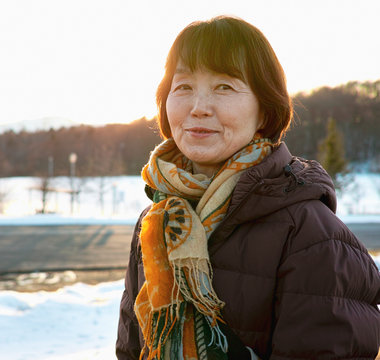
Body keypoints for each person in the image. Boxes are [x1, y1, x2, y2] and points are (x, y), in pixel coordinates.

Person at [116, 16, 380, 360]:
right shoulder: (156, 223)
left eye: (224, 87)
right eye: (183, 87)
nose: (198, 108)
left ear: (264, 110)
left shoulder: (312, 236)